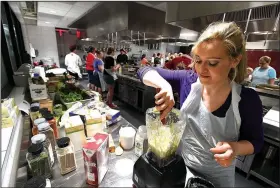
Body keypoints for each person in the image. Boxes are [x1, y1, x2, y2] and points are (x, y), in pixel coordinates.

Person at [137, 22, 263, 187]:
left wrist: (235, 148)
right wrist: (164, 85)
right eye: (198, 60)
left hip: (218, 181)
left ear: (234, 60)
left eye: (212, 63)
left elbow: (256, 142)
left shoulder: (246, 99)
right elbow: (144, 70)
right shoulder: (188, 81)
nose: (201, 70)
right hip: (181, 171)